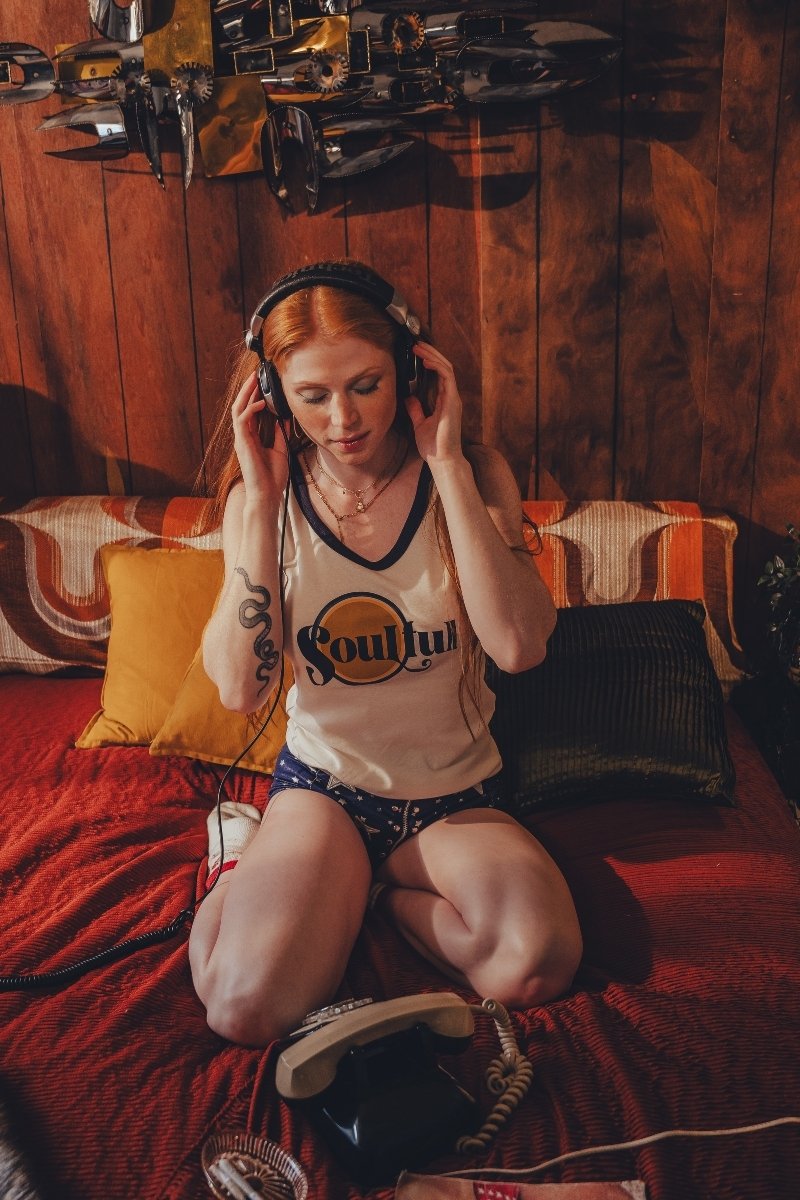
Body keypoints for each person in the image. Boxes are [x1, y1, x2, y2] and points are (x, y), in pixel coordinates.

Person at [189, 260, 582, 1047]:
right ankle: (244, 859)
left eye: (365, 384)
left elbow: (518, 646)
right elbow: (239, 690)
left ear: (410, 367)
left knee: (534, 962)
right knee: (241, 1007)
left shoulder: (471, 475)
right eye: (312, 395)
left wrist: (448, 463)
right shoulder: (262, 499)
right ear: (272, 395)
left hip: (454, 796)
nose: (343, 418)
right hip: (325, 791)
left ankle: (367, 892)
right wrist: (262, 505)